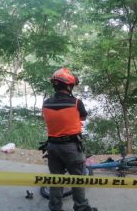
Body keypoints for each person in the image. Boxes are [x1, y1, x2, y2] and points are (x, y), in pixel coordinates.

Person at [42, 67, 97, 211]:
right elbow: (83, 117)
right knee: (78, 179)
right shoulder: (76, 103)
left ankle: (55, 207)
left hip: (52, 147)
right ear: (69, 86)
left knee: (56, 180)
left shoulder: (46, 103)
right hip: (71, 147)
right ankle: (81, 207)